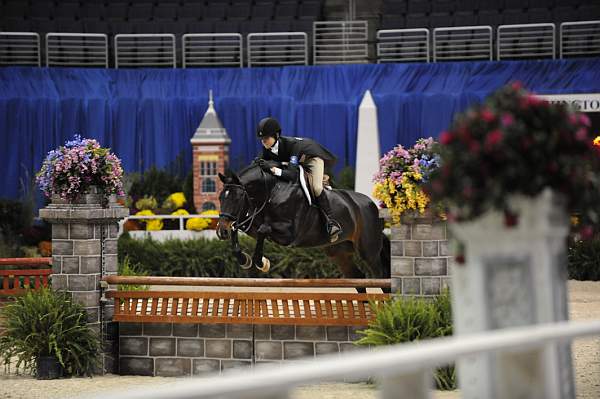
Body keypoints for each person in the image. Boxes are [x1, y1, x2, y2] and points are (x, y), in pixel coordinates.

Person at [255, 117, 341, 241]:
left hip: (311, 159)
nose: (264, 142)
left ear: (276, 135)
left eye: (266, 139)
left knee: (316, 188)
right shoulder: (267, 148)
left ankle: (332, 222)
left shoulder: (293, 145)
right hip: (294, 163)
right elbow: (262, 163)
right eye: (262, 140)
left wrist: (273, 169)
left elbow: (292, 175)